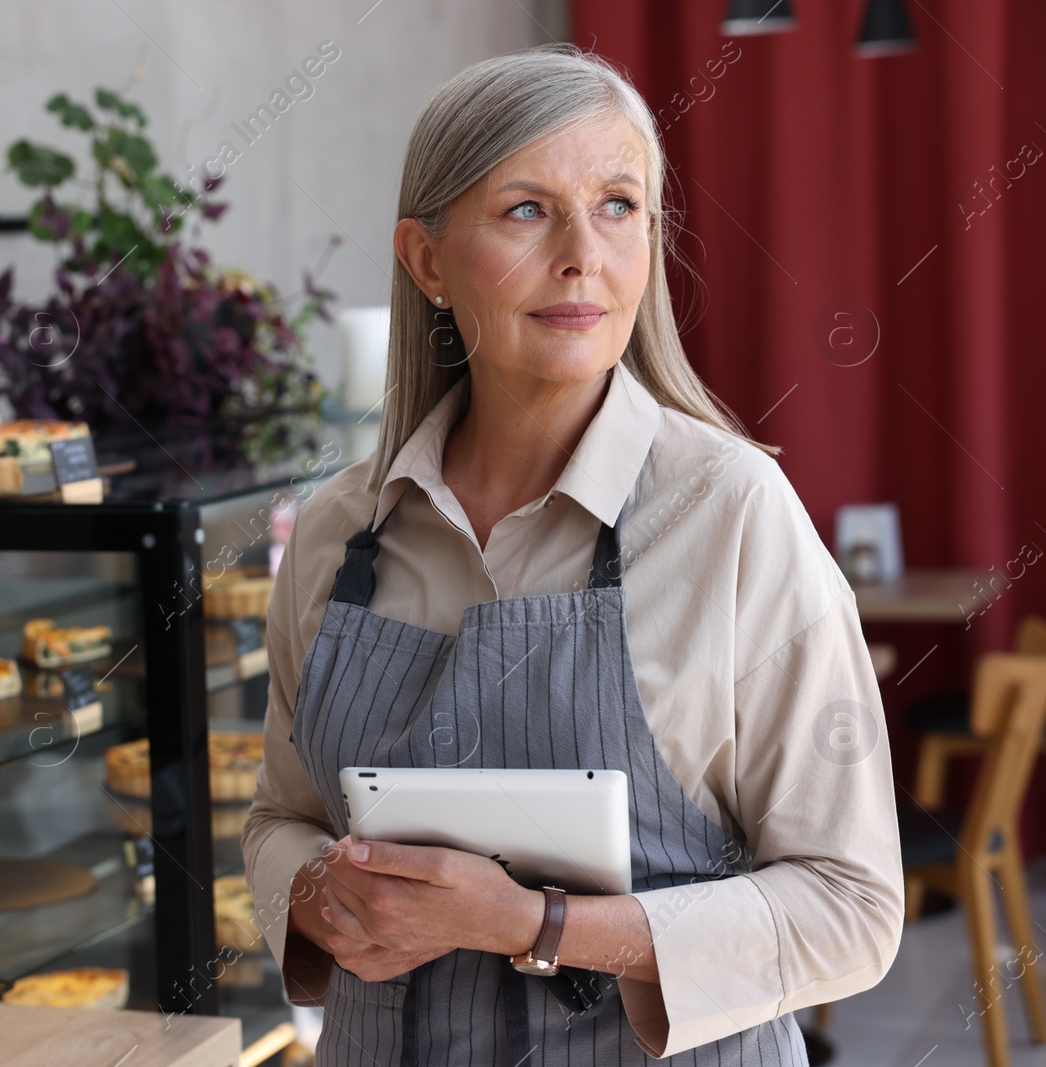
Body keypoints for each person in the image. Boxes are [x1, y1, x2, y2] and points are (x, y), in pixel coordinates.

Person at [241, 43, 902, 1064]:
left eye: (617, 205)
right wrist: (318, 893)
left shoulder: (730, 513)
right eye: (524, 209)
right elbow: (281, 815)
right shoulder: (337, 529)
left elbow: (850, 906)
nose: (582, 254)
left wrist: (528, 924)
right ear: (425, 260)